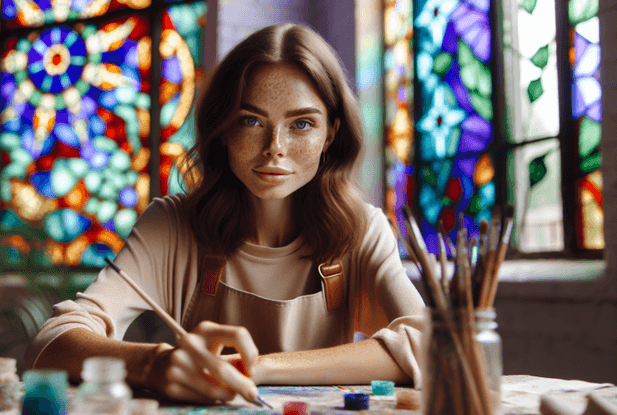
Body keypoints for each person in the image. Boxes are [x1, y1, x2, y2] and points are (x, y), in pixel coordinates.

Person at [25, 23, 425, 405]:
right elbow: (51, 343)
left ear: (331, 134)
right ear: (223, 129)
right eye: (250, 120)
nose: (275, 148)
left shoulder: (363, 229)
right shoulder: (173, 224)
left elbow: (425, 347)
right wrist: (154, 364)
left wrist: (257, 367)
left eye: (301, 124)